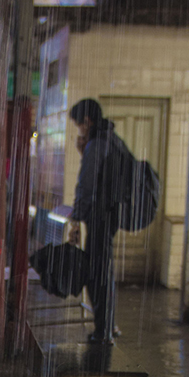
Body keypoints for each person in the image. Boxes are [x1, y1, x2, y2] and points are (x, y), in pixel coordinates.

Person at [64, 98, 131, 345]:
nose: (79, 132)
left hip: (100, 217)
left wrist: (76, 218)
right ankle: (107, 325)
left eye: (79, 126)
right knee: (104, 272)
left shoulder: (98, 144)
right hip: (111, 216)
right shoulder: (113, 140)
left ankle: (103, 331)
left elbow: (87, 185)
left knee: (97, 275)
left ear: (87, 122)